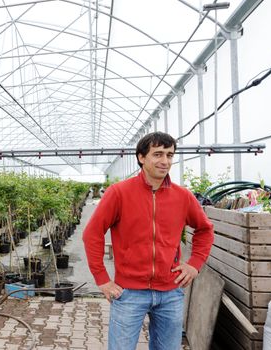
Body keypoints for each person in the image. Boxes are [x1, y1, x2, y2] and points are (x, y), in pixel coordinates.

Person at [82, 132, 214, 350]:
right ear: (141, 157)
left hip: (170, 292)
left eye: (170, 155)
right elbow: (92, 233)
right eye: (158, 154)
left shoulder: (183, 197)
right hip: (128, 292)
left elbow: (205, 229)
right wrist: (102, 279)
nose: (165, 161)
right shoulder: (119, 193)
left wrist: (194, 265)